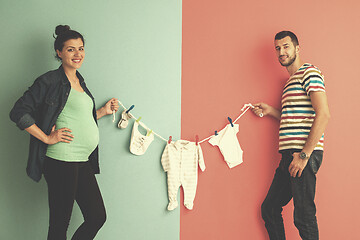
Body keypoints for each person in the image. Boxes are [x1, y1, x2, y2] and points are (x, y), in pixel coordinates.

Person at [9, 25, 119, 240]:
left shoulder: (80, 82)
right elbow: (18, 111)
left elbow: (77, 117)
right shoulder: (49, 80)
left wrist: (103, 112)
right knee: (59, 225)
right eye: (70, 49)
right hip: (61, 159)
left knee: (97, 216)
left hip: (82, 159)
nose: (78, 54)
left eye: (81, 48)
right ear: (59, 52)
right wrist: (47, 137)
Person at [252, 31, 330, 240]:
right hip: (289, 156)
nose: (281, 52)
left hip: (302, 154)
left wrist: (304, 155)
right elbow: (294, 119)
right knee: (269, 208)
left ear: (297, 48)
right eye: (277, 48)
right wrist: (271, 111)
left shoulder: (309, 73)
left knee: (303, 216)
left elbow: (323, 114)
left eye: (286, 46)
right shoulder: (290, 83)